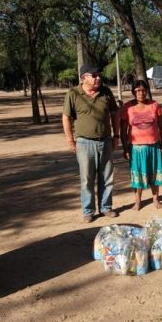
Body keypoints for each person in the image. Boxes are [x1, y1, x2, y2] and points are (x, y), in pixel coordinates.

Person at [62, 64, 120, 222]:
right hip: (84, 143)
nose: (98, 78)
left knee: (107, 177)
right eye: (94, 75)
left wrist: (116, 136)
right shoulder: (73, 93)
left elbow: (115, 114)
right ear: (83, 78)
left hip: (106, 141)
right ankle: (88, 210)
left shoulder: (106, 92)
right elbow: (66, 117)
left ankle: (105, 207)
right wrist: (70, 140)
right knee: (87, 178)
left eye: (98, 75)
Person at [120, 80, 162, 210]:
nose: (141, 93)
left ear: (147, 91)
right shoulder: (127, 107)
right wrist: (125, 148)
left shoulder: (154, 105)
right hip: (136, 148)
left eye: (143, 90)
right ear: (133, 92)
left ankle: (155, 199)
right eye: (138, 90)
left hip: (154, 146)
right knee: (137, 175)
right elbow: (123, 130)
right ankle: (138, 201)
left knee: (154, 173)